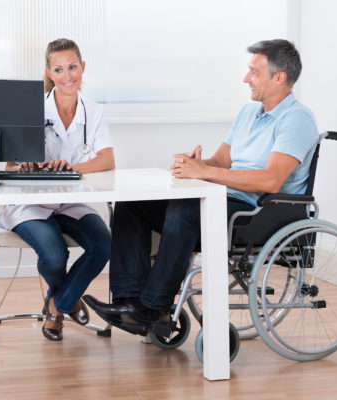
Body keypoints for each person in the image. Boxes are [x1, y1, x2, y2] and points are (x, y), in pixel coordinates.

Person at [83, 39, 318, 336]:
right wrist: (196, 164)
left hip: (258, 213)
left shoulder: (296, 119)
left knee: (186, 210)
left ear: (279, 77)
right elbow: (221, 160)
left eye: (254, 72)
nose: (246, 78)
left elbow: (270, 180)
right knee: (134, 203)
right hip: (225, 200)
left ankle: (153, 309)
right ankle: (129, 302)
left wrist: (205, 173)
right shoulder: (249, 113)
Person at [0, 38, 115, 341]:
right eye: (59, 69)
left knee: (103, 244)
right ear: (49, 72)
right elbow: (9, 161)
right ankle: (69, 300)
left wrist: (71, 169)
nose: (67, 76)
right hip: (31, 203)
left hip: (71, 200)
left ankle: (57, 304)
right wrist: (27, 165)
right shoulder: (31, 109)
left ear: (82, 67)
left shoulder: (93, 111)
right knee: (53, 255)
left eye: (72, 67)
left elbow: (107, 159)